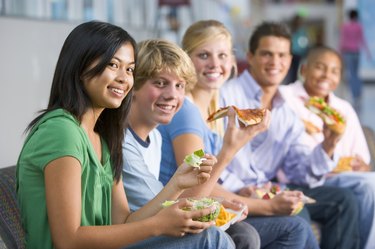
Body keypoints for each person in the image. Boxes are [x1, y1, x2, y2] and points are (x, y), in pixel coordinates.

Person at [16, 21, 234, 249]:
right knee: (212, 239)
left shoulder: (102, 136)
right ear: (80, 68)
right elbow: (68, 240)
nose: (124, 78)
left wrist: (177, 183)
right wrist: (159, 225)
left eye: (129, 69)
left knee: (213, 235)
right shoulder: (61, 131)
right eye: (113, 65)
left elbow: (125, 221)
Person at [158, 19, 320, 249]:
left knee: (296, 222)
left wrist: (239, 197)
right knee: (294, 227)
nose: (215, 64)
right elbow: (194, 190)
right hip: (178, 215)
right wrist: (268, 205)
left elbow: (209, 185)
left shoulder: (213, 108)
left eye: (222, 56)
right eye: (204, 55)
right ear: (186, 60)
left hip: (201, 208)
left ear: (233, 60)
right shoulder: (186, 111)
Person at [219, 21, 360, 249]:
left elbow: (300, 173)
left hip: (268, 189)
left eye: (282, 55)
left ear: (290, 61)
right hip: (235, 193)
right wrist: (239, 187)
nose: (276, 62)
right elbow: (210, 153)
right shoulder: (226, 96)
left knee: (345, 201)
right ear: (250, 56)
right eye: (267, 54)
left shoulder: (286, 111)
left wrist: (329, 143)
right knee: (297, 214)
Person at [122, 38, 254, 248]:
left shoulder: (154, 135)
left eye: (180, 86)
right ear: (134, 85)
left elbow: (159, 201)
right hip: (131, 236)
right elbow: (155, 214)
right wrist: (227, 152)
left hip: (145, 228)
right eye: (160, 83)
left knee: (244, 234)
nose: (172, 95)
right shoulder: (121, 142)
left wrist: (215, 203)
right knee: (215, 238)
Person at [280, 45, 375, 249]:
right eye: (320, 67)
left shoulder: (343, 109)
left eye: (334, 71)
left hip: (340, 179)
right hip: (298, 179)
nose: (326, 76)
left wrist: (362, 166)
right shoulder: (284, 98)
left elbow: (363, 160)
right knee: (369, 187)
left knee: (370, 183)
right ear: (304, 70)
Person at [339, 9, 371, 113]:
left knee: (351, 74)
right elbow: (362, 40)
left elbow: (342, 40)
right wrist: (368, 52)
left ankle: (354, 95)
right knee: (356, 74)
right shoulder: (359, 26)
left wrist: (339, 53)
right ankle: (358, 93)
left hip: (347, 52)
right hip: (356, 52)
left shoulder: (345, 27)